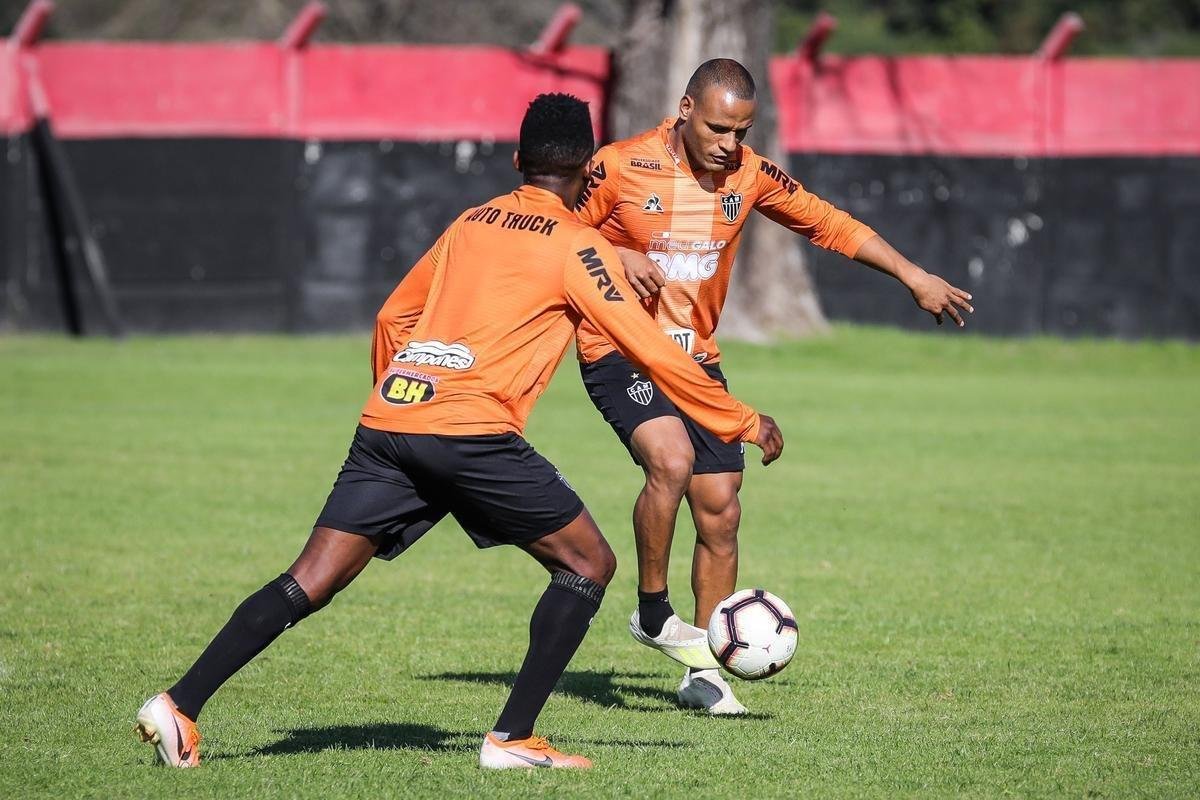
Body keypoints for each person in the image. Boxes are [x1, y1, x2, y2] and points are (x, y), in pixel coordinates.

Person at [133, 93, 783, 771]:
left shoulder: (471, 220)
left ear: (516, 161)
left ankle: (179, 705)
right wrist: (739, 419)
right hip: (469, 433)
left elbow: (392, 318)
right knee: (589, 564)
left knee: (310, 580)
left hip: (392, 417)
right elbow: (651, 348)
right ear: (591, 170)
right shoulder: (580, 246)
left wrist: (408, 409)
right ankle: (513, 739)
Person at [574, 58, 974, 715]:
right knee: (670, 461)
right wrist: (615, 254)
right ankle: (652, 612)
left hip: (694, 359)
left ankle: (705, 673)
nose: (731, 142)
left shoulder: (750, 174)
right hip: (619, 351)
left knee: (721, 508)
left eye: (742, 129)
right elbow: (557, 224)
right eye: (718, 127)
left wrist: (912, 275)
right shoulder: (619, 166)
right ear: (683, 108)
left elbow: (830, 222)